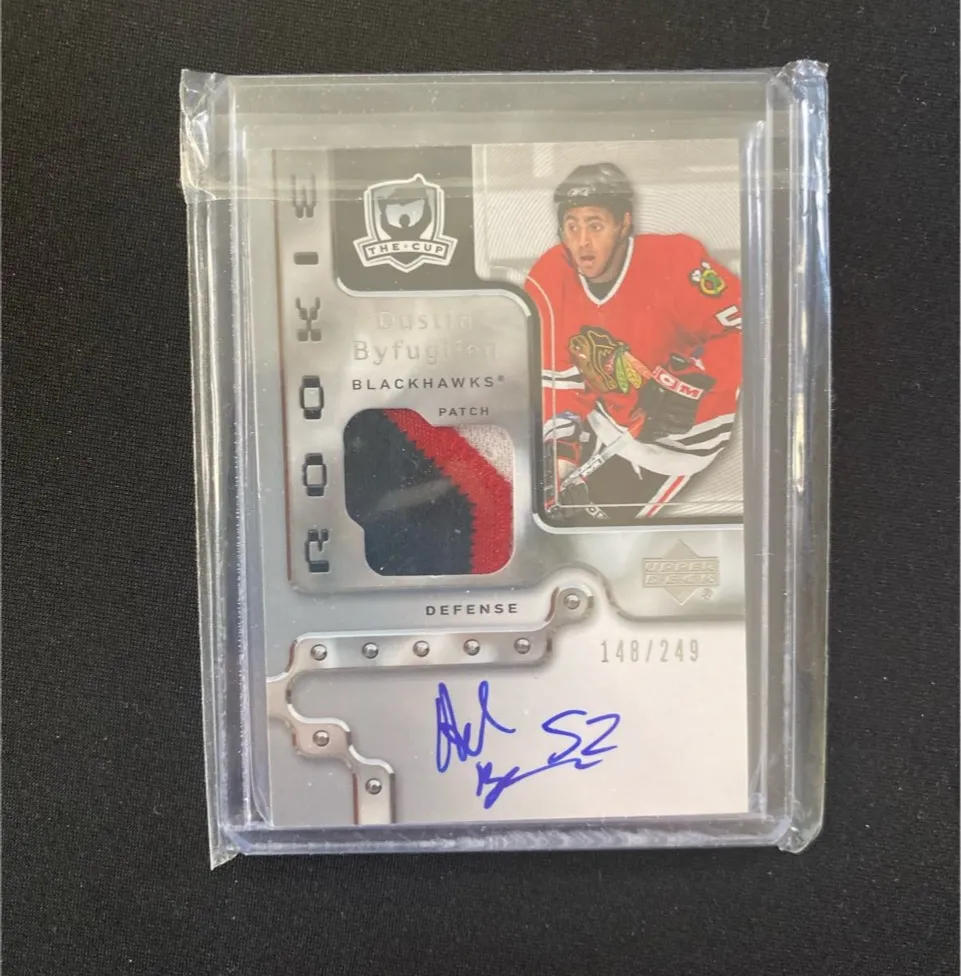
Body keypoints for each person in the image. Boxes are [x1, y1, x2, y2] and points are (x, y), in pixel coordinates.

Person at [524, 162, 743, 524]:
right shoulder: (550, 276)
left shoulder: (676, 263)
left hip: (676, 444)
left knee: (590, 534)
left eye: (595, 225)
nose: (582, 241)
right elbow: (557, 379)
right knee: (535, 510)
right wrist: (562, 457)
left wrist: (694, 381)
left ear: (624, 224)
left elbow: (750, 327)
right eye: (572, 226)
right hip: (605, 415)